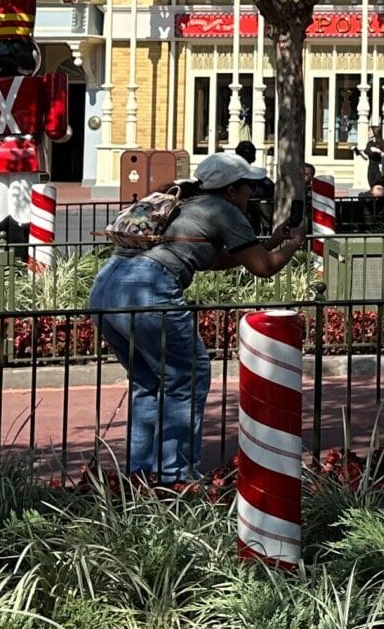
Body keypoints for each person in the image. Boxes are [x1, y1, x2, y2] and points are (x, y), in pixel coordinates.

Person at [89, 152, 307, 483]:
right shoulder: (223, 210)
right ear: (232, 190)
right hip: (148, 288)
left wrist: (272, 241)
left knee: (148, 380)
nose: (252, 193)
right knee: (188, 375)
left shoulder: (185, 201)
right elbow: (264, 268)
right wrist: (293, 244)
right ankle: (176, 476)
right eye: (248, 186)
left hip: (107, 287)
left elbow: (212, 259)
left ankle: (141, 473)